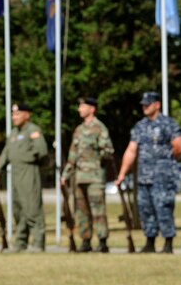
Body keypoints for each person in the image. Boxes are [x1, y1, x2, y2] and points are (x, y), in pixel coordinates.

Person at [115, 92, 181, 253]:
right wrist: (122, 174)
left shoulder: (168, 124)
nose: (145, 107)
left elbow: (179, 146)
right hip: (144, 177)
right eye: (143, 104)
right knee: (145, 209)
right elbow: (131, 150)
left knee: (163, 208)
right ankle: (150, 241)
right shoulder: (140, 126)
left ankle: (168, 243)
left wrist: (165, 163)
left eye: (148, 104)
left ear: (157, 105)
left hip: (163, 177)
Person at [0, 103, 48, 253]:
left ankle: (38, 243)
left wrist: (27, 158)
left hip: (29, 171)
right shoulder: (14, 133)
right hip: (15, 174)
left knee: (32, 207)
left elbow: (42, 151)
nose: (14, 117)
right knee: (18, 209)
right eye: (13, 114)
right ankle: (20, 242)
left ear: (27, 115)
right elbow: (5, 153)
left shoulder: (33, 130)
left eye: (17, 114)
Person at [61, 97, 115, 253]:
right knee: (81, 210)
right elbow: (72, 155)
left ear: (92, 109)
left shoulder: (100, 128)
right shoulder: (78, 130)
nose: (79, 109)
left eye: (82, 106)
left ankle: (102, 241)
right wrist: (65, 175)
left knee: (98, 210)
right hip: (79, 177)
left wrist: (98, 155)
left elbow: (109, 151)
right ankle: (85, 241)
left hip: (95, 176)